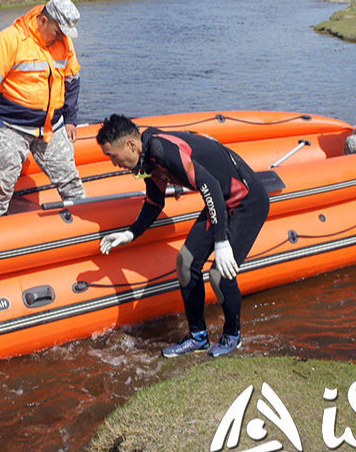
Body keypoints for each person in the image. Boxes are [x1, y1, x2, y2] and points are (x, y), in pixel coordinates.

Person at [95, 114, 278, 358]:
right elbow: (154, 202)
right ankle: (198, 336)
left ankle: (233, 335)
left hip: (247, 200)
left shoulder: (162, 150)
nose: (113, 163)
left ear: (130, 145)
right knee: (186, 262)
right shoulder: (147, 159)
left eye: (112, 156)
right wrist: (131, 233)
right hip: (221, 202)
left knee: (219, 275)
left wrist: (221, 242)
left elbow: (210, 186)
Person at [0, 0, 85, 218]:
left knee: (70, 179)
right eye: (58, 32)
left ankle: (83, 223)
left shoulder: (64, 43)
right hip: (12, 127)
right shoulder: (10, 39)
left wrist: (70, 119)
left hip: (51, 127)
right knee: (3, 183)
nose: (61, 38)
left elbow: (72, 81)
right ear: (43, 21)